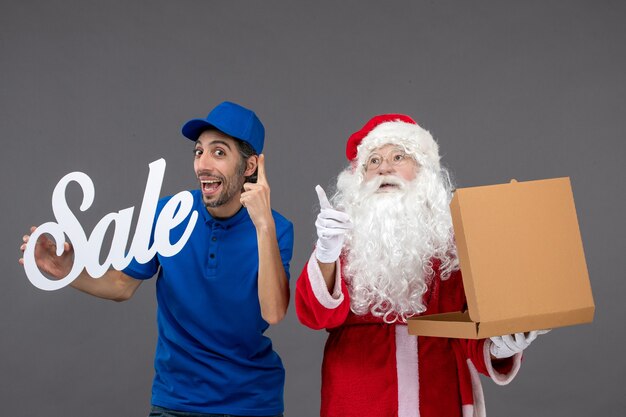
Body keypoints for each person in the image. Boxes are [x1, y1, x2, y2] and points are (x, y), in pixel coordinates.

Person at [19, 101, 293, 417]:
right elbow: (121, 285)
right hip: (176, 402)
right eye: (198, 151)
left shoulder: (277, 229)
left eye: (219, 153)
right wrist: (66, 269)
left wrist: (263, 225)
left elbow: (273, 311)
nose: (203, 164)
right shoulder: (168, 213)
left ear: (249, 167)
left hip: (251, 404)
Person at [295, 114, 546, 417]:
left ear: (424, 170)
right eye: (372, 161)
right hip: (358, 396)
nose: (384, 168)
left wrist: (500, 347)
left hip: (437, 395)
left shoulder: (452, 242)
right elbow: (316, 316)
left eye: (397, 156)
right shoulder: (341, 240)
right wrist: (326, 253)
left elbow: (470, 329)